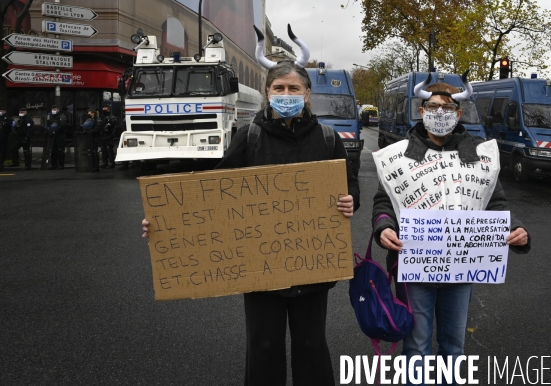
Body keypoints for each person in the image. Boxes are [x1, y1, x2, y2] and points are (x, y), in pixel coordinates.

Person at [142, 26, 360, 386]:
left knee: (311, 343)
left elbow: (348, 183)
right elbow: (213, 193)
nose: (286, 94)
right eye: (279, 88)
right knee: (263, 346)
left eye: (294, 88)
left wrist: (349, 200)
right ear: (267, 93)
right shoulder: (250, 136)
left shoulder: (327, 137)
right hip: (260, 268)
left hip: (313, 266)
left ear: (307, 95)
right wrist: (166, 221)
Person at [371, 74, 530, 386]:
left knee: (454, 347)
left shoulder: (477, 153)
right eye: (432, 107)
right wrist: (384, 228)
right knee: (416, 347)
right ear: (421, 111)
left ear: (459, 114)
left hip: (462, 268)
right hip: (415, 265)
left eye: (447, 108)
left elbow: (494, 203)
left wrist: (516, 228)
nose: (439, 114)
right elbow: (383, 203)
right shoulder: (401, 154)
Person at [47, 105, 69, 170]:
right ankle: (53, 164)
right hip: (53, 136)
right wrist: (50, 131)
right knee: (53, 150)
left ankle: (61, 164)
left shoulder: (62, 116)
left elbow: (62, 125)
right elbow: (48, 124)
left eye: (55, 109)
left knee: (60, 150)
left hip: (60, 135)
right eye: (53, 109)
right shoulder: (50, 116)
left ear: (58, 110)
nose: (53, 110)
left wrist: (55, 130)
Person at [99, 104, 118, 169]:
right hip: (103, 135)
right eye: (103, 108)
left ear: (108, 109)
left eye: (105, 108)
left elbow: (115, 127)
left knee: (109, 149)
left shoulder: (111, 117)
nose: (104, 109)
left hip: (109, 135)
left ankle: (111, 163)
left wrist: (112, 135)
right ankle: (105, 163)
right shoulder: (102, 117)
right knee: (103, 149)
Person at [0, 105, 12, 171]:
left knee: (3, 150)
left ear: (5, 111)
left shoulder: (7, 118)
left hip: (4, 136)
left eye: (2, 111)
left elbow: (9, 127)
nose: (1, 112)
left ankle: (1, 164)